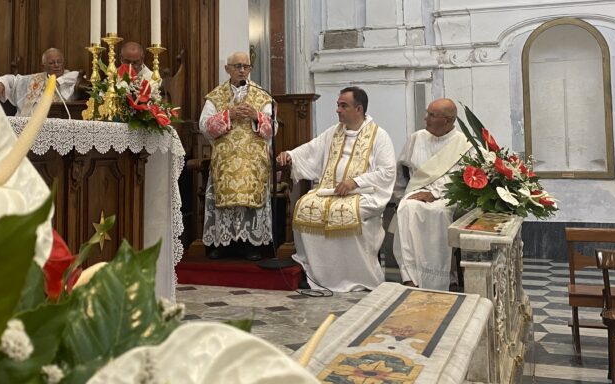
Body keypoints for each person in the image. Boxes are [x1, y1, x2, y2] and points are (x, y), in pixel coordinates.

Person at [277, 87, 396, 292]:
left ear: (358, 109)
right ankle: (316, 276)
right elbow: (311, 149)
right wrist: (290, 155)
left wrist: (355, 182)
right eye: (338, 105)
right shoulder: (334, 132)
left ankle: (358, 277)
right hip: (329, 191)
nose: (338, 110)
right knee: (305, 206)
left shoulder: (379, 135)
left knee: (347, 213)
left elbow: (387, 171)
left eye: (343, 106)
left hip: (362, 194)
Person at [200, 51, 274, 261]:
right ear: (227, 69)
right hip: (225, 157)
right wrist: (228, 114)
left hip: (253, 159)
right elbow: (204, 126)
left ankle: (251, 243)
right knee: (225, 193)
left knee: (250, 190)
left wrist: (256, 116)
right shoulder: (215, 96)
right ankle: (224, 243)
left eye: (246, 66)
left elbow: (272, 129)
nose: (242, 70)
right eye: (237, 66)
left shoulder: (262, 95)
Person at [392, 98, 472, 291]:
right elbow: (400, 170)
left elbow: (464, 180)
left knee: (438, 213)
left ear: (448, 120)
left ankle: (442, 276)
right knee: (406, 207)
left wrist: (435, 193)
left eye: (432, 115)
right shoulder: (416, 138)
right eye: (427, 113)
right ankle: (410, 276)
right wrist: (399, 196)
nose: (426, 119)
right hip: (418, 190)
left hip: (448, 196)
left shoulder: (464, 144)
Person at [0, 48, 81, 116]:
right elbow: (13, 80)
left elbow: (80, 77)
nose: (57, 65)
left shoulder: (71, 78)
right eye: (51, 63)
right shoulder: (34, 79)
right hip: (25, 124)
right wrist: (0, 82)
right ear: (43, 66)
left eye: (59, 62)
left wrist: (55, 82)